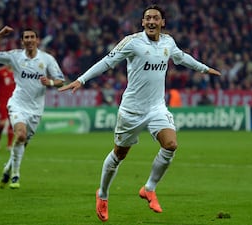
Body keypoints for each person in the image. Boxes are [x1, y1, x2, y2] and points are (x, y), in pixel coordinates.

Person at [59, 5, 221, 222]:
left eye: (156, 18)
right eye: (148, 18)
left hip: (156, 108)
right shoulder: (132, 42)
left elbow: (182, 57)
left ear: (163, 22)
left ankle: (149, 188)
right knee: (119, 155)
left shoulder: (168, 42)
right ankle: (103, 194)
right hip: (132, 110)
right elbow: (108, 61)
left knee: (171, 145)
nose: (151, 21)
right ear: (143, 22)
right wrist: (81, 79)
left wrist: (203, 68)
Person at [0, 26, 65, 189]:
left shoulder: (47, 59)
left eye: (31, 37)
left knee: (22, 142)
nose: (29, 40)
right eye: (26, 37)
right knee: (20, 135)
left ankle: (7, 169)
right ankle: (15, 175)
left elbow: (60, 80)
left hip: (36, 110)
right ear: (22, 41)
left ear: (37, 40)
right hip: (17, 104)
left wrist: (49, 82)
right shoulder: (15, 56)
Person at [0, 64, 15, 150]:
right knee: (2, 123)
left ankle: (9, 145)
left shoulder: (17, 72)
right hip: (2, 101)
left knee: (12, 123)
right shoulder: (0, 71)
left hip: (14, 102)